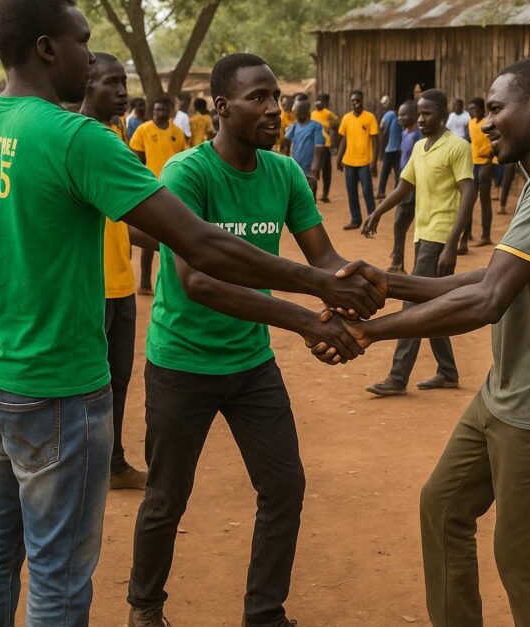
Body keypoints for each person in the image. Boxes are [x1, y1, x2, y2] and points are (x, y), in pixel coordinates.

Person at [0, 0, 383, 627]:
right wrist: (319, 288)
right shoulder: (77, 138)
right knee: (57, 571)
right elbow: (198, 245)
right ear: (47, 48)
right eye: (82, 41)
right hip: (55, 385)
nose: (91, 56)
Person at [330, 57, 530, 626]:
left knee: (524, 556)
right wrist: (391, 283)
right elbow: (492, 276)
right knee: (443, 506)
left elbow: (488, 301)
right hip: (510, 388)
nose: (484, 123)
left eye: (495, 109)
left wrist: (369, 330)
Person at [126, 52, 369, 627]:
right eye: (258, 97)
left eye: (276, 97)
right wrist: (305, 320)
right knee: (166, 498)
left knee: (284, 487)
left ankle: (264, 613)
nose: (273, 109)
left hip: (251, 362)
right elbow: (198, 281)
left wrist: (360, 291)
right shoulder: (187, 174)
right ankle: (145, 607)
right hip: (181, 363)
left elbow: (323, 259)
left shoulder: (284, 174)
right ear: (221, 106)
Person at [359, 89, 476, 396]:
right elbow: (403, 187)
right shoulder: (419, 147)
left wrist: (452, 244)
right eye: (419, 114)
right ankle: (448, 372)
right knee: (433, 305)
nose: (421, 119)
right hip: (421, 234)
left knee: (412, 305)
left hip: (440, 236)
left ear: (443, 115)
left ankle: (397, 377)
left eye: (427, 114)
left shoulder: (458, 147)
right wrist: (377, 212)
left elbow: (469, 193)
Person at [79, 52, 148, 491]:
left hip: (121, 283)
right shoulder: (80, 138)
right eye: (112, 83)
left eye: (124, 82)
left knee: (117, 381)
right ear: (87, 84)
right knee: (87, 384)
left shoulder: (115, 134)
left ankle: (114, 462)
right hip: (90, 286)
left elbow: (126, 218)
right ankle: (85, 468)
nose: (122, 92)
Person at [131, 94, 188, 294]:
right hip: (149, 190)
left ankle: (175, 283)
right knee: (149, 238)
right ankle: (145, 283)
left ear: (170, 111)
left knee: (175, 237)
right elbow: (136, 159)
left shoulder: (177, 133)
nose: (159, 114)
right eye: (156, 110)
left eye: (163, 110)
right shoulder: (143, 130)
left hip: (173, 192)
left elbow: (181, 160)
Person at [337, 89, 379, 229]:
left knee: (367, 192)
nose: (355, 103)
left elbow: (375, 141)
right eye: (353, 101)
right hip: (349, 162)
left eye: (358, 100)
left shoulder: (370, 117)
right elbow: (344, 140)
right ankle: (356, 219)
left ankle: (372, 219)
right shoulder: (346, 118)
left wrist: (374, 161)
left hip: (365, 162)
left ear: (362, 101)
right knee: (351, 191)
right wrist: (339, 157)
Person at [389, 99, 422, 274]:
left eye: (404, 114)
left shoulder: (418, 136)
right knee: (399, 223)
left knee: (401, 223)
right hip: (403, 180)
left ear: (414, 115)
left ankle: (399, 263)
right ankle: (397, 261)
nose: (400, 118)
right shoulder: (404, 132)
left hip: (413, 185)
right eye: (399, 114)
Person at [467, 97, 496, 245]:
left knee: (484, 199)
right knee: (469, 199)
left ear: (481, 108)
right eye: (470, 109)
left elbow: (495, 139)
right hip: (473, 162)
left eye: (474, 108)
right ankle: (467, 234)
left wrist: (491, 153)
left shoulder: (488, 122)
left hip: (486, 163)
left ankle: (486, 236)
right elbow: (471, 141)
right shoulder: (471, 123)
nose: (472, 111)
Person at [285, 97, 326, 196]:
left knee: (309, 198)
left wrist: (314, 170)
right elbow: (286, 144)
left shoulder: (316, 126)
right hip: (295, 169)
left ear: (303, 112)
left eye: (296, 111)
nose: (294, 113)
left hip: (308, 171)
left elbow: (318, 151)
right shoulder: (294, 126)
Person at [311, 93, 339, 202]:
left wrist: (330, 126)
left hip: (325, 145)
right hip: (317, 145)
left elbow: (336, 122)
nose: (317, 103)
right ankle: (316, 194)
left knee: (324, 170)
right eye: (317, 101)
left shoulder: (327, 113)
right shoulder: (313, 113)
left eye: (320, 101)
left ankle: (324, 194)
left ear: (325, 103)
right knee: (317, 170)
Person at [377, 94, 402, 199]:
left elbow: (382, 128)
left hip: (390, 148)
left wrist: (381, 149)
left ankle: (381, 191)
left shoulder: (389, 115)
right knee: (397, 171)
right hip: (397, 148)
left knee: (386, 171)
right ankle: (397, 191)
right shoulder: (397, 116)